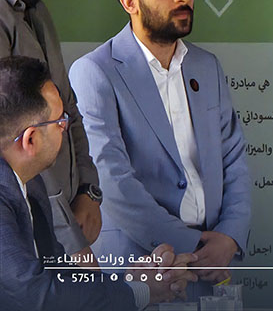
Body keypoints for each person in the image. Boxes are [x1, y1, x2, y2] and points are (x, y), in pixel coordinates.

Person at [69, 0, 251, 286]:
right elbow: (110, 178)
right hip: (139, 266)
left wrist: (229, 236)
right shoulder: (94, 71)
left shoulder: (206, 66)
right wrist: (192, 246)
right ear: (130, 1)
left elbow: (234, 158)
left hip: (213, 264)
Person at [0, 55, 197, 311]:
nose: (65, 128)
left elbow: (62, 275)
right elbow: (35, 296)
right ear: (31, 140)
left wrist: (130, 282)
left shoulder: (31, 184)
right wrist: (141, 291)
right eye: (60, 121)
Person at [0, 0, 102, 262]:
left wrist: (88, 190)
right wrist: (68, 239)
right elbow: (17, 145)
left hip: (64, 223)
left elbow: (66, 106)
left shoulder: (36, 9)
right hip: (25, 236)